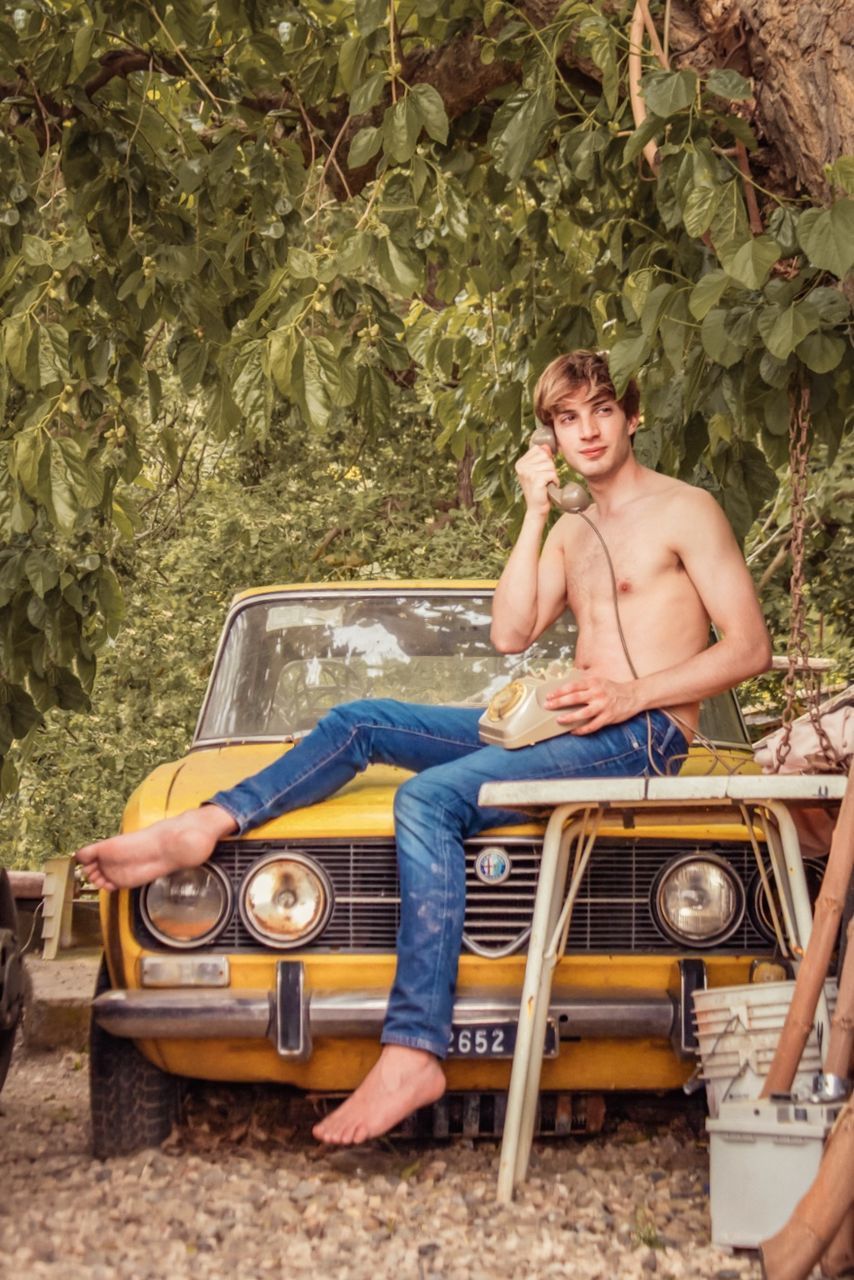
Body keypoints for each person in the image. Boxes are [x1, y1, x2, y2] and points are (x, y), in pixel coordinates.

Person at [75, 350, 772, 1145]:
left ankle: (413, 1050)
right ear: (549, 434)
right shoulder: (575, 526)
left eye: (602, 411)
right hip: (570, 722)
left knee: (428, 797)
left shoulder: (688, 510)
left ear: (633, 416)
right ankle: (211, 822)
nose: (586, 430)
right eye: (566, 418)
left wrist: (629, 695)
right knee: (358, 721)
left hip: (642, 735)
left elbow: (750, 647)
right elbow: (511, 632)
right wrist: (537, 511)